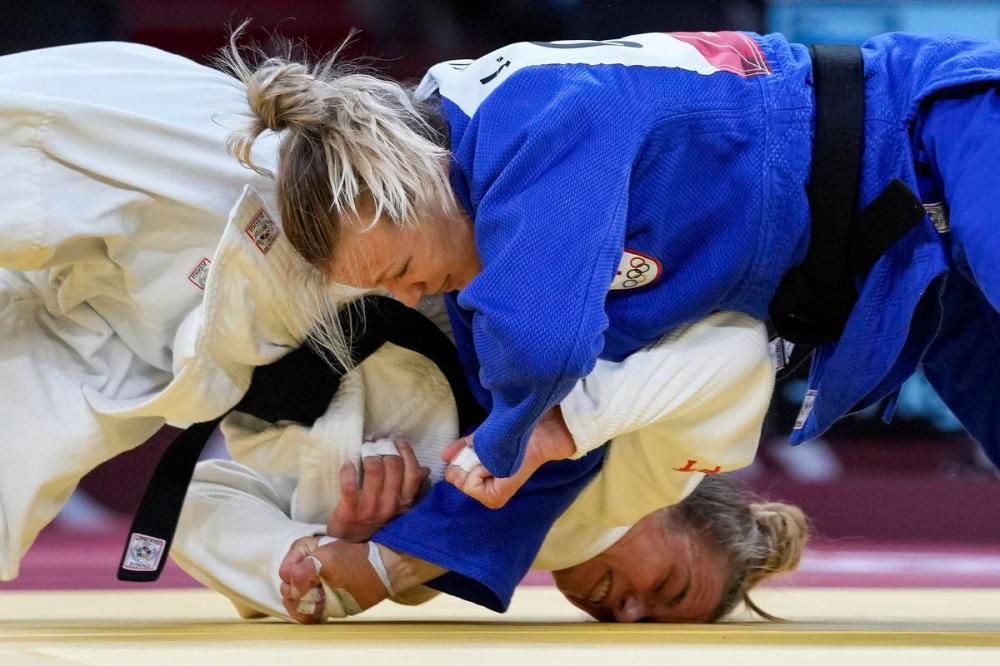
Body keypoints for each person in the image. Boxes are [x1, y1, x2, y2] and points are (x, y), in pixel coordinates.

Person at [223, 30, 1000, 511]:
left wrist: (506, 441)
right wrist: (384, 563)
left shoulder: (530, 113)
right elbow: (554, 441)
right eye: (385, 289)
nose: (410, 295)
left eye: (397, 267)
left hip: (938, 122)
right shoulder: (491, 260)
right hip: (891, 247)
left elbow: (544, 356)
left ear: (410, 179)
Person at [171, 304, 804, 623]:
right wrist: (575, 425)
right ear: (678, 505)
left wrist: (325, 544)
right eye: (665, 588)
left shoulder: (441, 563)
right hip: (376, 280)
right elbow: (741, 345)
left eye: (620, 619)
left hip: (269, 361)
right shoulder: (667, 457)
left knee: (288, 580)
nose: (627, 611)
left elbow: (193, 504)